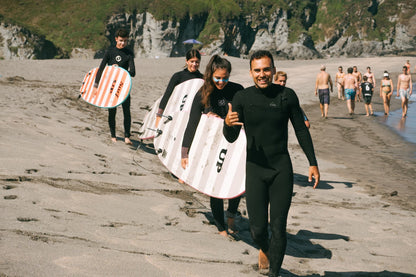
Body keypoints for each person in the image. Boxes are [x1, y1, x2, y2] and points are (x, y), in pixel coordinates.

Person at [223, 50, 320, 276]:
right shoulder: (242, 98)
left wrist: (312, 162)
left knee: (278, 228)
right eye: (257, 70)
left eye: (266, 69)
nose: (262, 74)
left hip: (281, 169)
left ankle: (274, 273)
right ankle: (265, 249)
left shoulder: (287, 95)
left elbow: (300, 130)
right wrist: (227, 123)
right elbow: (231, 137)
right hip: (255, 169)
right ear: (250, 72)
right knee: (257, 230)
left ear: (274, 70)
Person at [181, 55, 244, 237]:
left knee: (236, 180)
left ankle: (231, 215)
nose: (221, 82)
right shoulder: (202, 94)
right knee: (215, 185)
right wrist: (184, 153)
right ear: (210, 75)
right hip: (212, 145)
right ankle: (220, 226)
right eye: (218, 78)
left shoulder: (237, 90)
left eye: (225, 78)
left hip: (235, 142)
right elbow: (191, 125)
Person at [94, 29, 136, 144]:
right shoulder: (110, 51)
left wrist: (120, 70)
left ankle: (127, 136)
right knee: (112, 111)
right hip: (111, 86)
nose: (123, 43)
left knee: (126, 111)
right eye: (121, 40)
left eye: (125, 41)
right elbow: (101, 69)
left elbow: (133, 72)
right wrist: (95, 85)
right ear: (116, 39)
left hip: (124, 86)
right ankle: (113, 135)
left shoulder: (129, 53)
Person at [156, 49, 203, 127]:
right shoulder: (178, 76)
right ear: (187, 61)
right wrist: (160, 112)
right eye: (192, 61)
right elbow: (167, 94)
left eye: (197, 62)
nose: (194, 64)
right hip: (176, 111)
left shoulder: (202, 78)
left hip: (193, 114)